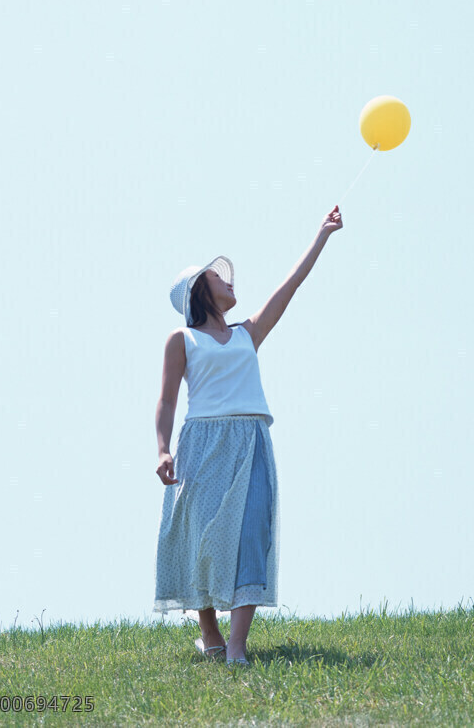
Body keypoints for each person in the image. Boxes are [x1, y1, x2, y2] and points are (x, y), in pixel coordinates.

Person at [153, 206, 344, 666]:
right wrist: (162, 449)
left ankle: (236, 648)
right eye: (218, 278)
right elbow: (166, 402)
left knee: (252, 533)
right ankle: (212, 637)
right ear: (201, 290)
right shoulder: (181, 339)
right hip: (201, 444)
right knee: (199, 538)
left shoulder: (248, 333)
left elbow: (290, 285)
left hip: (252, 441)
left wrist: (322, 235)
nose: (229, 280)